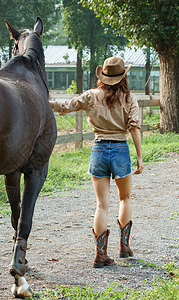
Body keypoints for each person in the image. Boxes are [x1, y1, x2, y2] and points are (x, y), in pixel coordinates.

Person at [49, 56, 143, 268]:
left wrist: (45, 102)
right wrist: (139, 156)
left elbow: (65, 106)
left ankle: (100, 255)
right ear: (122, 77)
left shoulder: (91, 96)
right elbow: (134, 127)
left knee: (102, 205)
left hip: (99, 149)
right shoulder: (129, 99)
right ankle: (124, 247)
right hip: (120, 150)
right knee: (125, 198)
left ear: (104, 76)